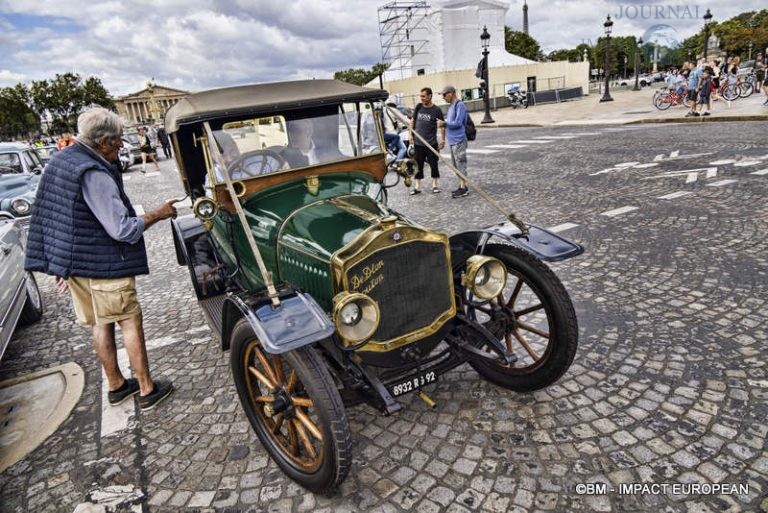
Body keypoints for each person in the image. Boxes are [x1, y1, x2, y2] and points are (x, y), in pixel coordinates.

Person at [24, 108, 178, 411]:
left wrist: (61, 262)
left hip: (77, 263)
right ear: (104, 141)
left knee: (99, 322)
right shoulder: (94, 172)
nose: (121, 146)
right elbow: (122, 229)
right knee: (129, 321)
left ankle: (117, 385)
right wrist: (159, 213)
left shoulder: (60, 160)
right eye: (119, 141)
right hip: (103, 263)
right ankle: (147, 388)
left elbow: (55, 216)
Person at [409, 87, 445, 195]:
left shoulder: (436, 110)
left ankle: (435, 185)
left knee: (434, 164)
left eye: (424, 96)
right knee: (418, 165)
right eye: (421, 96)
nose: (422, 98)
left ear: (430, 96)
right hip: (418, 143)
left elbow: (442, 126)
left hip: (431, 143)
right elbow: (413, 121)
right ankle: (417, 187)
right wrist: (410, 135)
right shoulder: (418, 107)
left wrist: (443, 140)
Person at [437, 85, 469, 198]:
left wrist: (444, 123)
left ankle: (463, 188)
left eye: (444, 95)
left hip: (459, 140)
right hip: (453, 141)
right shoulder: (451, 107)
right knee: (456, 166)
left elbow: (459, 123)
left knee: (461, 164)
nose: (443, 97)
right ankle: (462, 186)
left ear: (451, 93)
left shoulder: (460, 105)